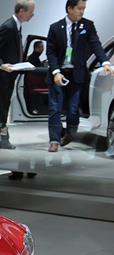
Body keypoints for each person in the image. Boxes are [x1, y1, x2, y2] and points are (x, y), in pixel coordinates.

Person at [46, 0, 114, 152]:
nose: (82, 12)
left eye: (84, 8)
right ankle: (54, 141)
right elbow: (50, 52)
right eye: (79, 8)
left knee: (73, 108)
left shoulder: (87, 26)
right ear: (69, 8)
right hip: (58, 74)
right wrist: (56, 72)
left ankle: (70, 132)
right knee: (55, 108)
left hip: (76, 75)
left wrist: (105, 62)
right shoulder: (55, 28)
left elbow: (96, 44)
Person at [0, 1, 36, 150]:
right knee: (2, 108)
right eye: (31, 12)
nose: (32, 15)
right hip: (2, 74)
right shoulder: (8, 27)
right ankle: (2, 138)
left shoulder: (16, 26)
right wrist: (2, 65)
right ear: (21, 11)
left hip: (8, 73)